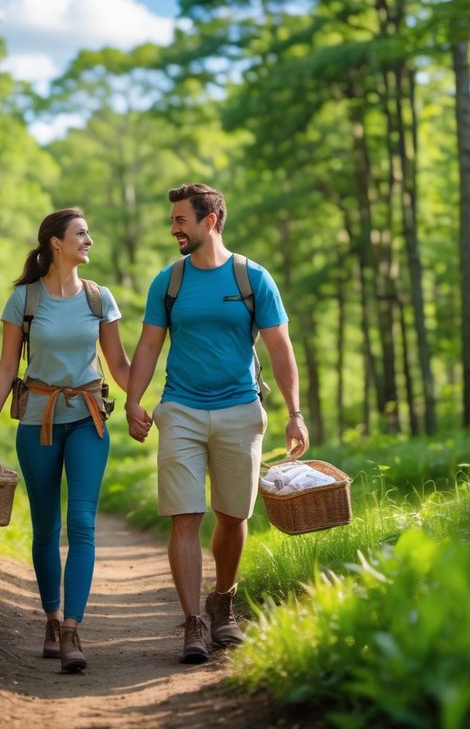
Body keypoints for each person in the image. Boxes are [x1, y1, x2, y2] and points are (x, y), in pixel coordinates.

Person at [125, 183, 309, 664]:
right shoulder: (169, 281)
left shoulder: (252, 278)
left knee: (233, 516)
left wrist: (294, 413)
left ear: (210, 221)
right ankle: (192, 622)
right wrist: (132, 401)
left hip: (240, 410)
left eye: (181, 220)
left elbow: (279, 347)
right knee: (185, 516)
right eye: (172, 220)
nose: (173, 228)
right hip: (180, 410)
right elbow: (148, 346)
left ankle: (222, 600)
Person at [0, 208, 130, 674]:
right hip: (36, 423)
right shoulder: (24, 300)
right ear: (56, 244)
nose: (89, 240)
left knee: (81, 524)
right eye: (81, 234)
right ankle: (50, 617)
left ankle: (71, 630)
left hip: (88, 420)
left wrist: (142, 403)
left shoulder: (99, 298)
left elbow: (120, 365)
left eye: (88, 233)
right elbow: (7, 367)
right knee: (46, 528)